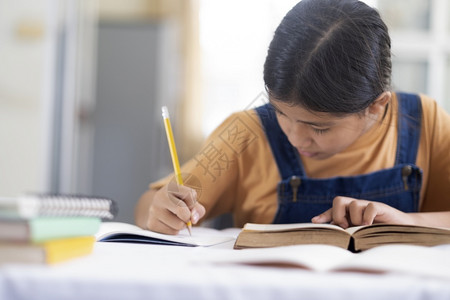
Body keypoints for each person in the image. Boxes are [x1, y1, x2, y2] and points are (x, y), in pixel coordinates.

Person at [135, 0, 450, 234]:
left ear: (377, 106)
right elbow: (149, 205)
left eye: (319, 127)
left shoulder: (424, 122)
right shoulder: (244, 134)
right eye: (282, 113)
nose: (295, 137)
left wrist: (408, 222)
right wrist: (159, 210)